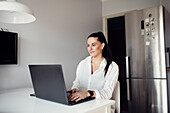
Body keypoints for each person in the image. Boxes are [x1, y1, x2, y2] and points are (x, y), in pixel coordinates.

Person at [67, 32, 119, 102]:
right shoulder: (82, 64)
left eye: (93, 45)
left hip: (101, 106)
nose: (90, 48)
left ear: (102, 46)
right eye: (88, 45)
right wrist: (75, 89)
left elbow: (107, 93)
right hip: (82, 103)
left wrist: (88, 93)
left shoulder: (112, 67)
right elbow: (77, 83)